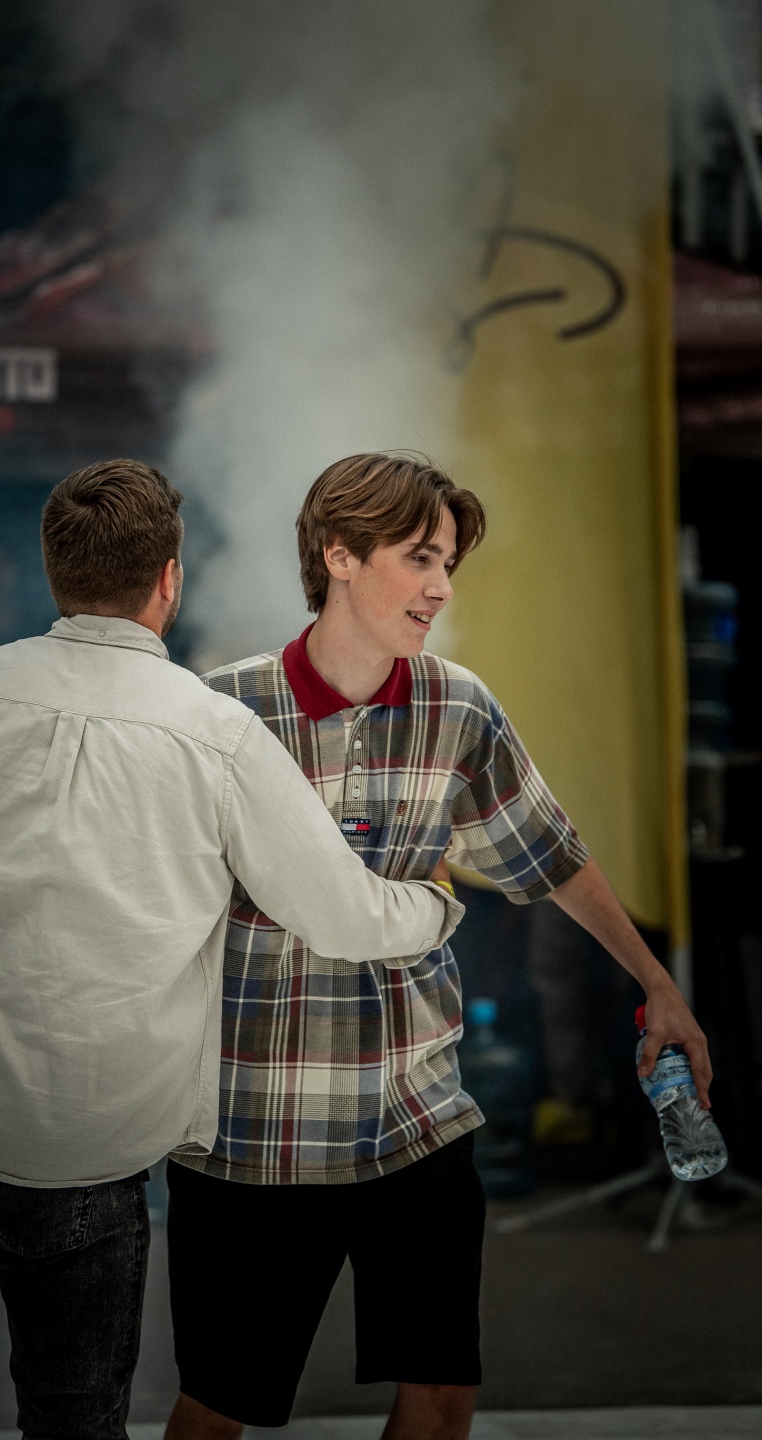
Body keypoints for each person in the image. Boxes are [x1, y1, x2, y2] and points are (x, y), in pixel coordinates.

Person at [0, 459, 463, 1440]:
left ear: (54, 571)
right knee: (74, 1423)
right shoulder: (222, 739)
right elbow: (344, 919)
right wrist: (432, 905)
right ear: (169, 580)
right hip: (83, 1144)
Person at [163, 452, 712, 1440]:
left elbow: (551, 855)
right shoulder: (223, 711)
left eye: (447, 562)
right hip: (252, 1131)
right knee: (215, 1412)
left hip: (415, 1117)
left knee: (444, 1396)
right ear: (339, 554)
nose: (441, 586)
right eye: (419, 557)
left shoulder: (457, 706)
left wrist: (657, 986)